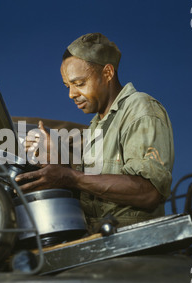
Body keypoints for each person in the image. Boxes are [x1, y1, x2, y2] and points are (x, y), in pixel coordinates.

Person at [15, 32, 174, 230]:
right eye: (68, 86)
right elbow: (89, 193)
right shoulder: (97, 125)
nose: (72, 94)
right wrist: (57, 161)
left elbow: (148, 192)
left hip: (135, 244)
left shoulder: (140, 108)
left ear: (107, 73)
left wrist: (70, 176)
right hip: (99, 239)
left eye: (79, 83)